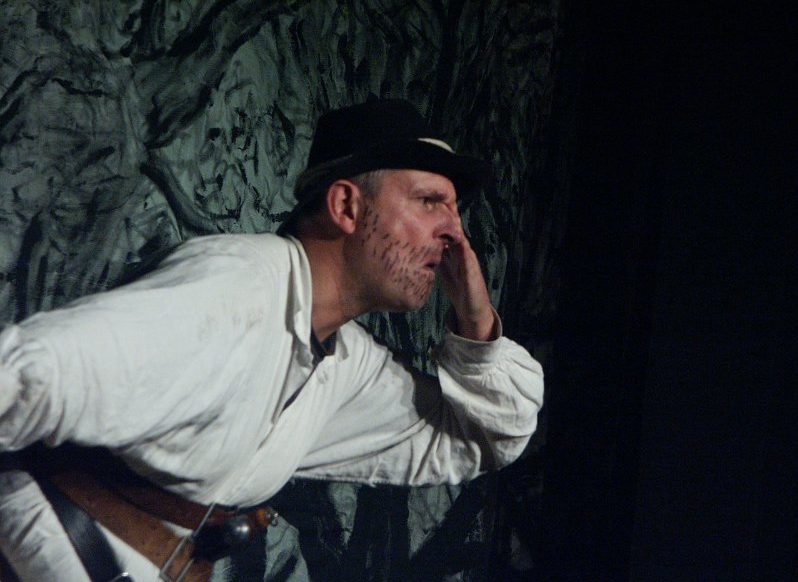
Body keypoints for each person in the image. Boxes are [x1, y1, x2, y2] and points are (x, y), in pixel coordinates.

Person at [0, 99, 544, 581]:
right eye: (429, 202)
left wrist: (476, 323)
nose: (454, 232)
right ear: (346, 207)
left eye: (454, 210)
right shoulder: (237, 290)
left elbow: (486, 436)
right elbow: (24, 374)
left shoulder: (344, 361)